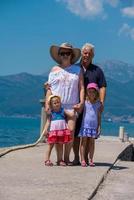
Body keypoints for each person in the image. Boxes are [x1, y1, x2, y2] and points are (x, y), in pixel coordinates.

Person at [45, 42, 85, 165]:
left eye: (67, 53)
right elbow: (49, 89)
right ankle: (60, 159)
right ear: (59, 55)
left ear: (71, 55)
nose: (65, 55)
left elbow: (81, 87)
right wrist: (47, 104)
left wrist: (81, 102)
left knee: (70, 131)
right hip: (57, 106)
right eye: (62, 53)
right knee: (58, 133)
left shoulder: (77, 70)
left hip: (72, 105)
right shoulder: (54, 70)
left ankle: (67, 158)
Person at [73, 43, 107, 165]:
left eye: (89, 53)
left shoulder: (97, 71)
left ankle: (86, 158)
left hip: (91, 108)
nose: (86, 55)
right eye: (85, 53)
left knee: (88, 135)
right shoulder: (75, 68)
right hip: (77, 105)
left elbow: (102, 87)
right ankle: (77, 157)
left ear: (93, 55)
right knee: (76, 133)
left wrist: (101, 102)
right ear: (81, 54)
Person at [43, 95, 74, 166]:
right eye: (54, 103)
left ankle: (60, 160)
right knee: (50, 145)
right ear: (51, 105)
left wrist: (74, 110)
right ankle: (47, 159)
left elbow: (71, 115)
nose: (57, 104)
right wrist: (45, 130)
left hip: (61, 131)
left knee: (60, 145)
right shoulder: (51, 113)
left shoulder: (63, 110)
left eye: (58, 102)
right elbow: (48, 122)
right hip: (53, 132)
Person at [79, 83, 101, 167]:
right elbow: (79, 110)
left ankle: (91, 159)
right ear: (87, 92)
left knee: (92, 143)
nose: (91, 93)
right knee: (83, 142)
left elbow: (99, 116)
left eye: (93, 92)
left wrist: (99, 126)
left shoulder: (98, 104)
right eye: (90, 91)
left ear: (96, 93)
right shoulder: (85, 103)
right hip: (85, 126)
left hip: (93, 127)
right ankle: (83, 160)